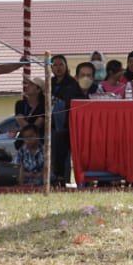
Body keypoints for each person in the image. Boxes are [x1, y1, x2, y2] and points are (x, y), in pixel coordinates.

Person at [49, 53, 80, 186]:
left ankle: (63, 178)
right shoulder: (50, 83)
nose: (58, 68)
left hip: (67, 124)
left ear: (66, 66)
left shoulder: (72, 83)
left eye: (61, 64)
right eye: (54, 65)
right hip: (51, 124)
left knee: (63, 152)